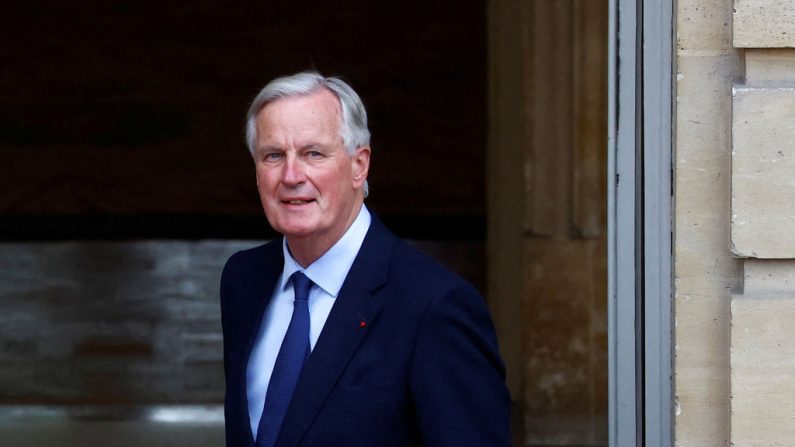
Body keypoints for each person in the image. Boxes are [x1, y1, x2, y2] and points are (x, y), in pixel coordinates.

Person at [220, 71, 511, 447]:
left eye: (313, 153)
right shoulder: (244, 280)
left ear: (360, 165)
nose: (291, 175)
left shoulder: (434, 305)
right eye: (273, 155)